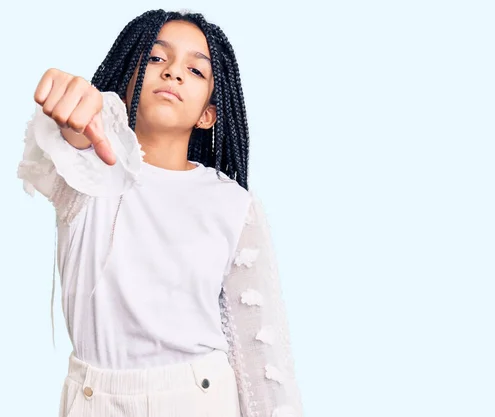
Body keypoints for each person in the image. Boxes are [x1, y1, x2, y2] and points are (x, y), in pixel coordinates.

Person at [17, 9, 303, 417]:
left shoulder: (232, 203)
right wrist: (73, 106)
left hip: (199, 397)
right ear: (127, 82)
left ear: (208, 114)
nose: (172, 72)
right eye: (155, 58)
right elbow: (73, 140)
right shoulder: (88, 175)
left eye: (196, 70)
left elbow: (260, 347)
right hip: (94, 400)